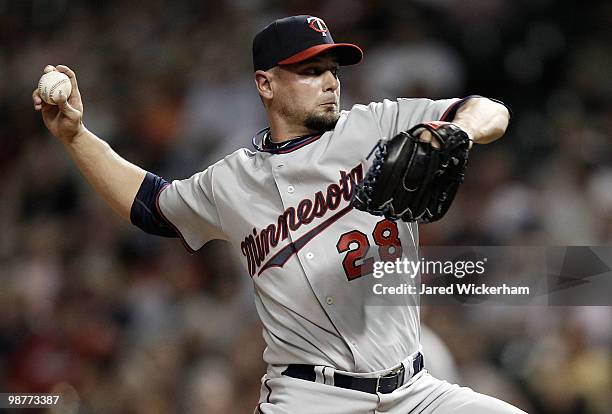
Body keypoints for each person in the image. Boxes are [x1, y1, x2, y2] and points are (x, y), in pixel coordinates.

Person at [33, 14, 525, 414]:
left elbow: (487, 108)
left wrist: (460, 133)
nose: (330, 81)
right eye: (311, 71)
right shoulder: (230, 181)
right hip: (310, 399)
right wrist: (76, 137)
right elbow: (151, 206)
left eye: (333, 68)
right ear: (265, 84)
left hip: (415, 392)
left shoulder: (378, 124)